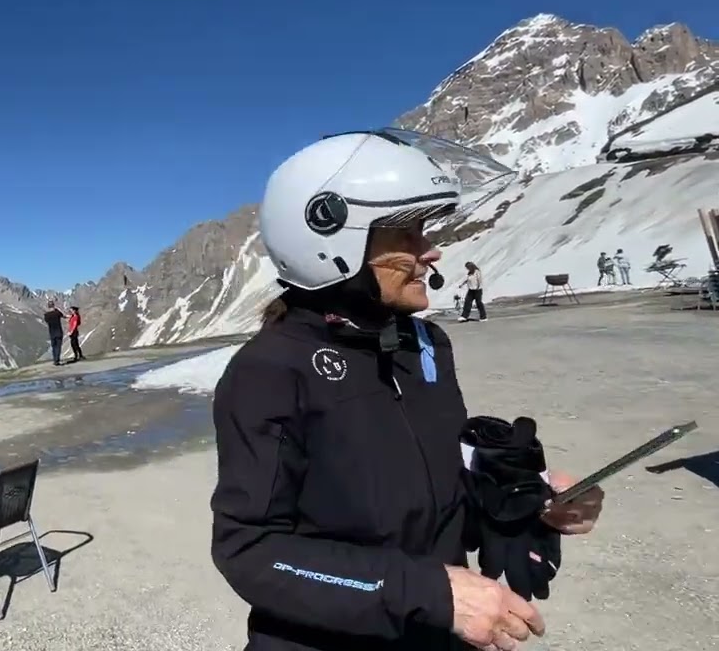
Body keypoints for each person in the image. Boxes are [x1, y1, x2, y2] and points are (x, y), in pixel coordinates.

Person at [210, 131, 605, 651]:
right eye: (408, 235)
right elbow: (251, 550)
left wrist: (521, 504)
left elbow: (429, 499)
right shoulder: (270, 369)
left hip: (437, 635)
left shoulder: (424, 344)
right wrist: (426, 591)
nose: (431, 251)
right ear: (330, 240)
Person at [43, 300, 66, 366]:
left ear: (48, 306)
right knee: (58, 346)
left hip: (52, 332)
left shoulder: (46, 315)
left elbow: (46, 321)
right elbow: (62, 315)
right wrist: (56, 310)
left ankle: (55, 359)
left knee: (54, 346)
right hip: (58, 331)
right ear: (53, 305)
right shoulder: (57, 313)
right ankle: (57, 360)